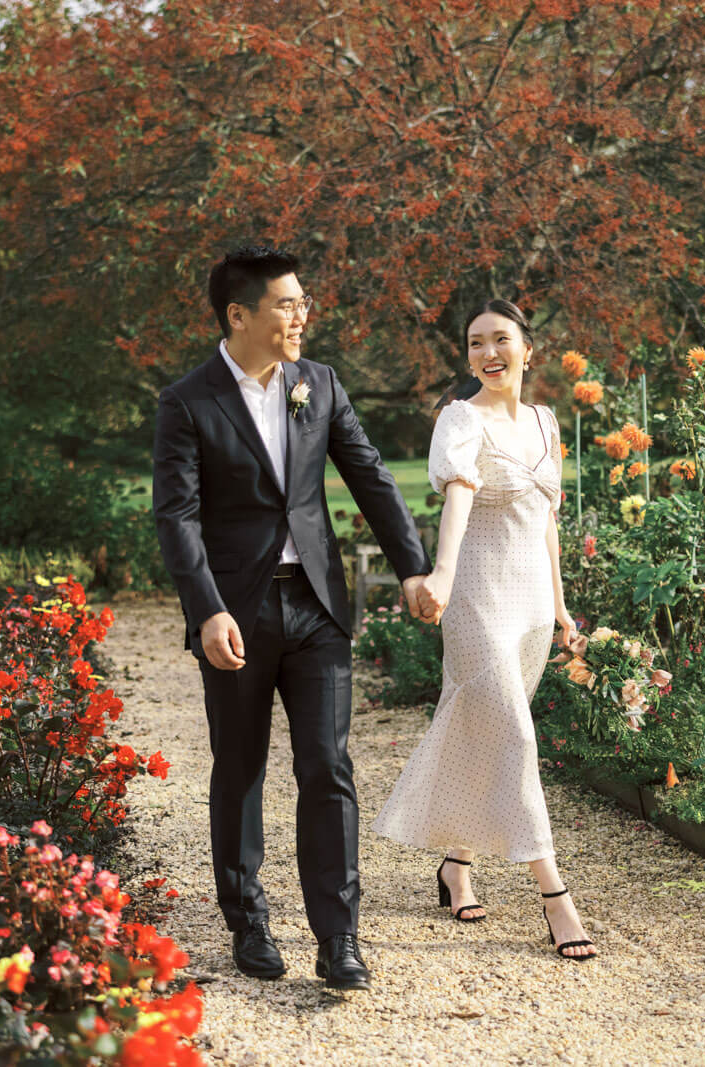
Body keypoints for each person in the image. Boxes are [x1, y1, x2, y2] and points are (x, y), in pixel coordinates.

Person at [152, 244, 432, 989]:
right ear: (239, 314)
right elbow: (175, 517)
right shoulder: (188, 401)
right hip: (235, 614)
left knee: (329, 766)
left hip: (316, 606)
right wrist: (206, 609)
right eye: (287, 303)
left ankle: (338, 936)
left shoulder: (321, 383)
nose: (302, 314)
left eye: (303, 301)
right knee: (240, 767)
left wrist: (412, 568)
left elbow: (369, 475)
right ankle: (247, 919)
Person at [372, 298, 597, 960]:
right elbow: (460, 497)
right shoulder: (460, 419)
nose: (488, 353)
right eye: (475, 343)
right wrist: (440, 575)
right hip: (475, 599)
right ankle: (555, 895)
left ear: (530, 349)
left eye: (501, 340)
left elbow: (547, 523)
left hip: (529, 604)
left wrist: (560, 610)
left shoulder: (546, 421)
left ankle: (455, 864)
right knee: (516, 735)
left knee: (485, 730)